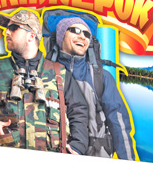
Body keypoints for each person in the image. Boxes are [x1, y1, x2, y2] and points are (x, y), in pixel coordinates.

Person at [0, 9, 89, 155]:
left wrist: (78, 146)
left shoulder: (60, 73)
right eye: (7, 28)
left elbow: (79, 110)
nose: (6, 32)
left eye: (13, 28)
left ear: (31, 35)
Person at [51, 15, 136, 160]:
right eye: (75, 30)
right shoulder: (45, 72)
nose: (82, 37)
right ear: (61, 35)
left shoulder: (101, 77)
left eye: (87, 34)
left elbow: (119, 124)